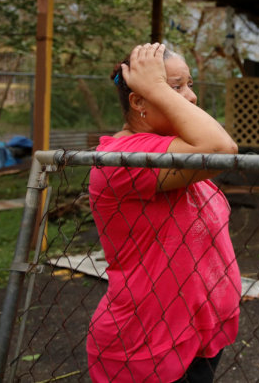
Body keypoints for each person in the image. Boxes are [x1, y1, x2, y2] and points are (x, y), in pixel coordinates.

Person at [86, 43, 240, 382]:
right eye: (175, 87)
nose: (191, 97)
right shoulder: (122, 160)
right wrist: (155, 86)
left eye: (190, 85)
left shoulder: (175, 152)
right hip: (144, 345)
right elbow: (222, 150)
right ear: (138, 100)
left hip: (198, 336)